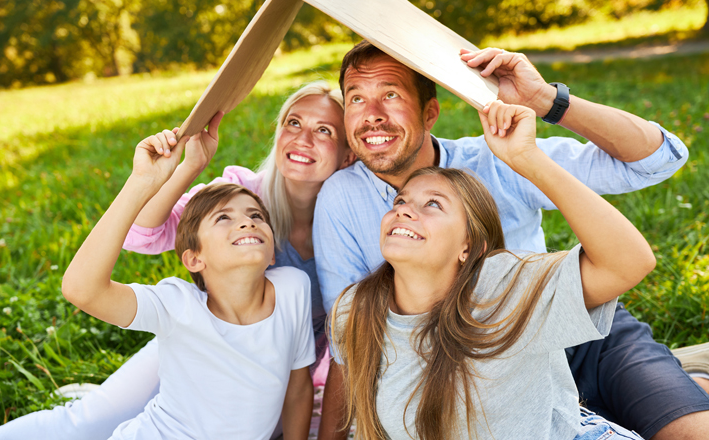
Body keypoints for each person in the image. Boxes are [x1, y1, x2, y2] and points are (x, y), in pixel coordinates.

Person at [315, 41, 709, 440]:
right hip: (471, 367)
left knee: (690, 430)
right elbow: (351, 344)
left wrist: (546, 101)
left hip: (567, 319)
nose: (372, 116)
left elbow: (657, 159)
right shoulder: (341, 197)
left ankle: (680, 386)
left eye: (391, 95)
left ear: (429, 112)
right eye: (357, 100)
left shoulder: (499, 156)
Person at [0, 81, 355, 439]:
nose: (303, 138)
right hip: (194, 339)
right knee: (89, 422)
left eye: (324, 130)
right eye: (293, 122)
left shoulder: (348, 227)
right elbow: (144, 234)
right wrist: (187, 167)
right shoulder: (240, 198)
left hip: (261, 374)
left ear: (348, 153)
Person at [331, 99, 653, 439]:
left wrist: (528, 159)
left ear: (469, 247)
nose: (404, 211)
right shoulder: (357, 310)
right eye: (400, 201)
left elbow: (630, 262)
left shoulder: (502, 287)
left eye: (433, 204)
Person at [60, 124, 316, 438]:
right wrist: (142, 182)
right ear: (194, 259)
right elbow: (81, 289)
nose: (247, 221)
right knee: (79, 422)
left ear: (273, 253)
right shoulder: (177, 304)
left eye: (257, 216)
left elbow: (299, 389)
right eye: (224, 217)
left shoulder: (293, 288)